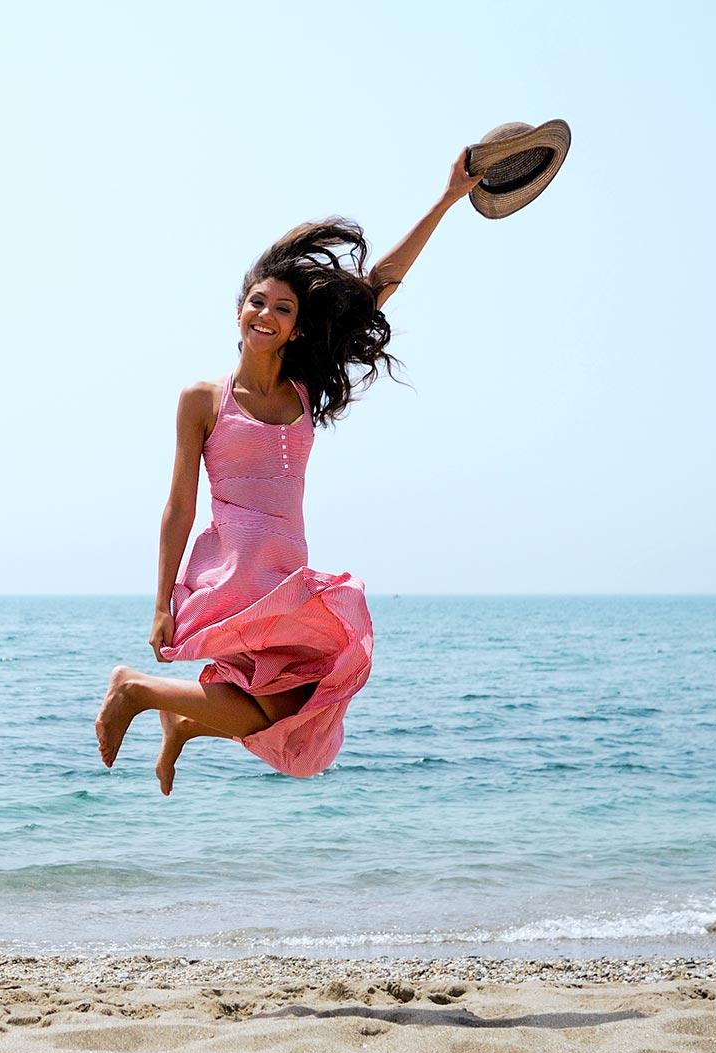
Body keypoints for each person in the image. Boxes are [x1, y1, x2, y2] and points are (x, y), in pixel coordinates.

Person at [94, 148, 486, 795]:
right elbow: (179, 507)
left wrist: (445, 201)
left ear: (298, 326)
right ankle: (136, 689)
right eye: (257, 302)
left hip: (286, 569)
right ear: (238, 310)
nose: (266, 315)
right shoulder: (203, 399)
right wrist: (161, 601)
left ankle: (179, 719)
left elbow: (377, 285)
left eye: (281, 308)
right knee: (289, 705)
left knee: (293, 715)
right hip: (237, 569)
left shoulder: (303, 390)